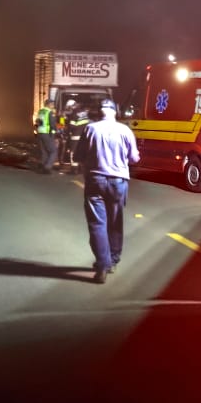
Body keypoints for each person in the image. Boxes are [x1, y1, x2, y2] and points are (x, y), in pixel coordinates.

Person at [76, 99, 140, 283]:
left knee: (97, 224)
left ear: (100, 112)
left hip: (95, 181)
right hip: (118, 182)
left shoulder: (91, 129)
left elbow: (78, 155)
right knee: (115, 220)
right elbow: (134, 158)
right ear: (115, 111)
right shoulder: (125, 130)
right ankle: (113, 259)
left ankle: (102, 265)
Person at [34, 98, 59, 173]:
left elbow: (37, 122)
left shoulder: (41, 111)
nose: (53, 105)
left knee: (44, 151)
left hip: (40, 133)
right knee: (53, 151)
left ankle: (42, 164)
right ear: (49, 104)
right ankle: (47, 168)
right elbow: (52, 124)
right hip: (47, 133)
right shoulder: (50, 112)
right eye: (52, 104)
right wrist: (55, 132)